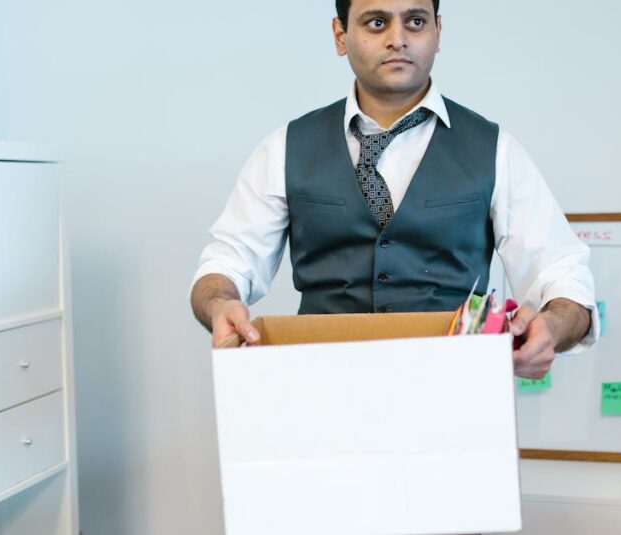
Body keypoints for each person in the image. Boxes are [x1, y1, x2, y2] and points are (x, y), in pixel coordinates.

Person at [191, 0, 598, 378]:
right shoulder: (285, 148)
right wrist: (219, 303)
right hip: (320, 389)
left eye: (415, 22)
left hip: (456, 391)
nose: (398, 38)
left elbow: (562, 275)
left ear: (437, 32)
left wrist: (552, 326)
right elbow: (227, 262)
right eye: (376, 22)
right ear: (340, 35)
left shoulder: (495, 150)